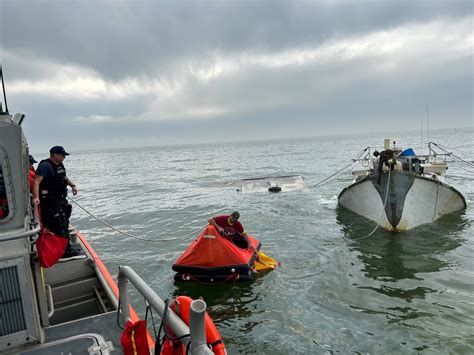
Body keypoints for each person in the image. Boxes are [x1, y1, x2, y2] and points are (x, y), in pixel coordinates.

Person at [32, 146, 81, 259]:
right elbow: (36, 181)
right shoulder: (45, 166)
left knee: (64, 222)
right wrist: (36, 197)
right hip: (50, 202)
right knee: (58, 225)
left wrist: (72, 185)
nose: (64, 157)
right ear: (54, 155)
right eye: (62, 155)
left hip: (60, 200)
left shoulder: (59, 165)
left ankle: (66, 247)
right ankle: (63, 251)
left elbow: (63, 177)